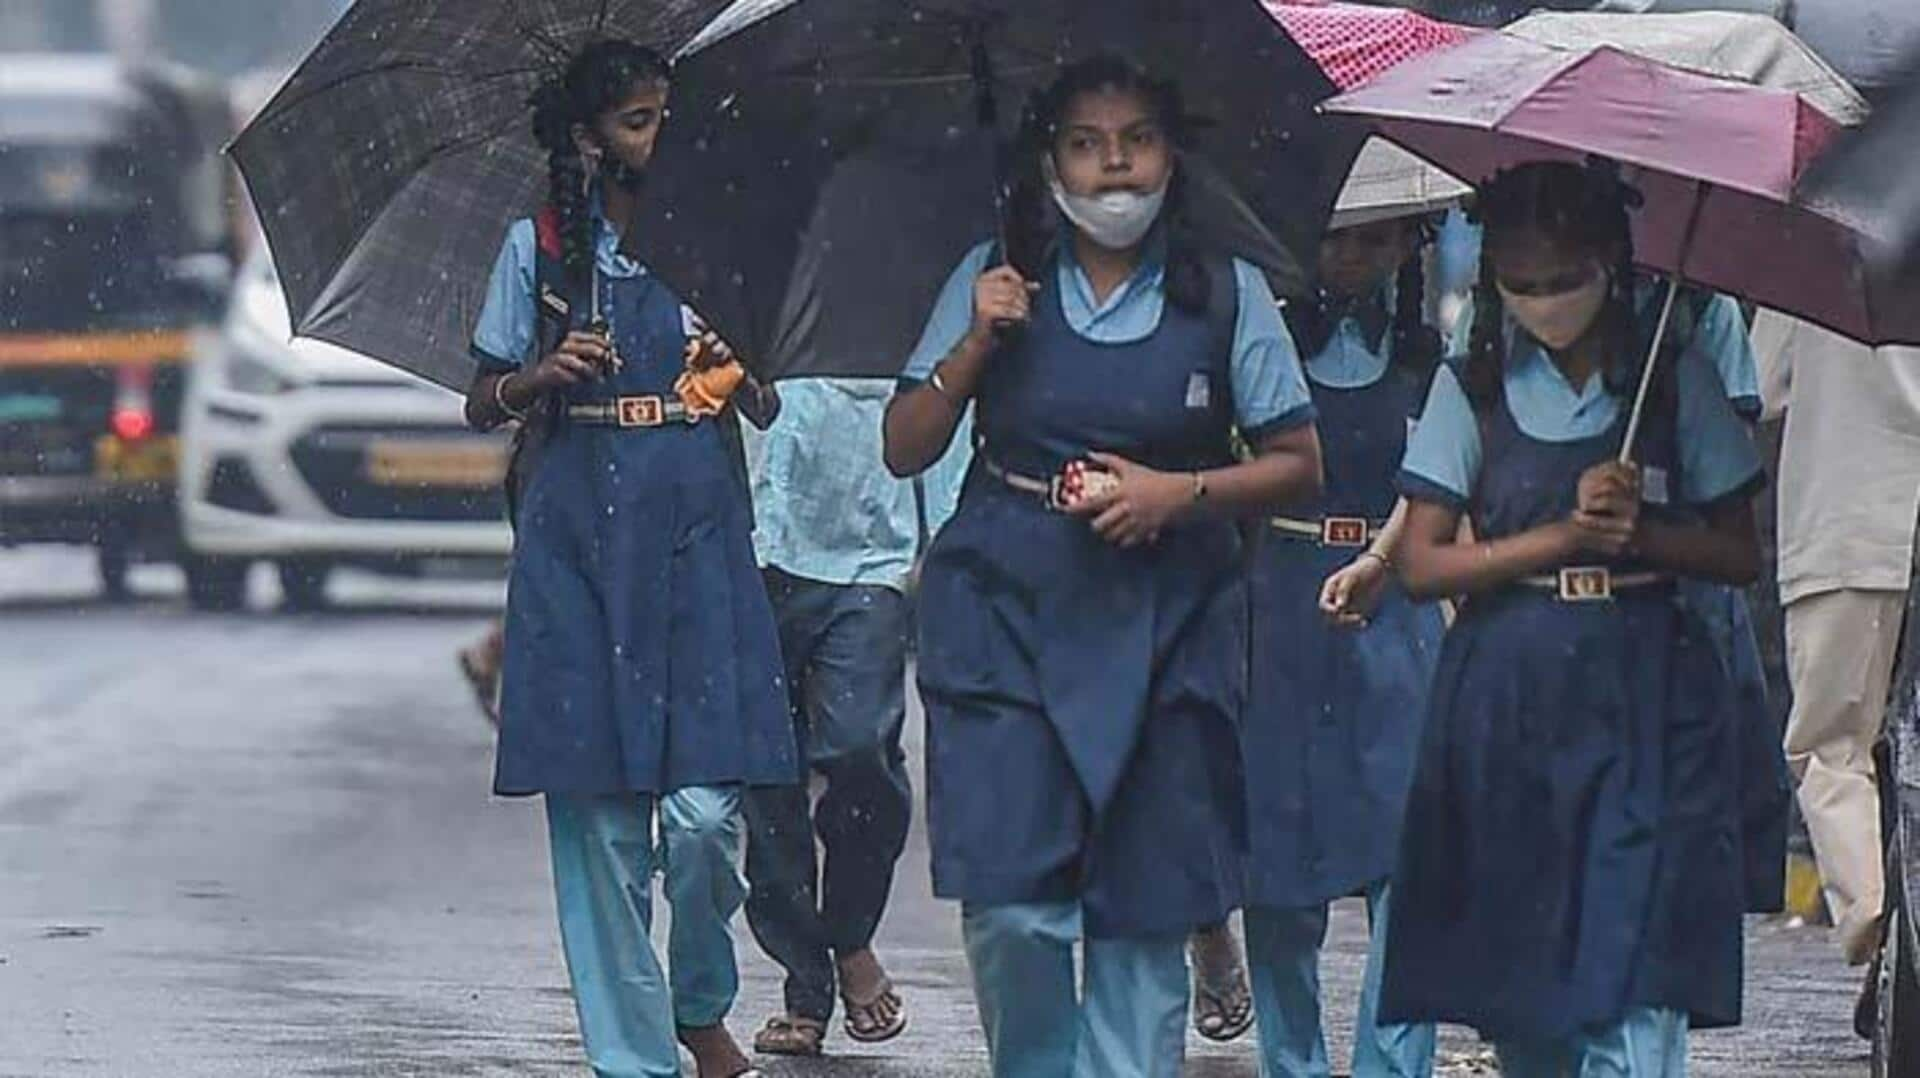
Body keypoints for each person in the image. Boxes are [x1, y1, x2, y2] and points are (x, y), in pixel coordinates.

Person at [883, 56, 1324, 1078]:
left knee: (1142, 914)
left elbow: (1301, 464)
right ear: (1050, 162)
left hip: (1171, 616)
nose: (1114, 165)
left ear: (1174, 154)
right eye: (1086, 143)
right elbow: (905, 445)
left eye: (1136, 139)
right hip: (1005, 608)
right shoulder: (992, 276)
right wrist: (975, 348)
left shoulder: (1225, 291)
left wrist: (1182, 493)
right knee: (1015, 912)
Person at [1382, 160, 1765, 1075]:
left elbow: (1738, 553)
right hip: (1511, 695)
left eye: (1564, 279)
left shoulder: (1674, 381)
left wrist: (1644, 534)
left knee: (1637, 961)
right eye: (1521, 284)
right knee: (1529, 975)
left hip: (1648, 690)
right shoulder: (1470, 387)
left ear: (1610, 261)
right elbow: (1423, 564)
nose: (1545, 301)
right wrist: (1560, 536)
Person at [460, 41, 794, 1078]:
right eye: (637, 120)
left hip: (695, 524)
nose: (657, 138)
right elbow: (481, 400)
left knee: (704, 815)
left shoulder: (723, 237)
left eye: (666, 117)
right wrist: (540, 374)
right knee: (599, 825)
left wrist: (735, 368)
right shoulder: (540, 245)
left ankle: (700, 998)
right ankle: (631, 1056)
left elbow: (773, 395)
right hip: (576, 535)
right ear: (588, 138)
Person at [1225, 209, 1448, 1078]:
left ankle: (1396, 1065)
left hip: (1399, 607)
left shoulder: (1438, 357)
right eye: (1337, 236)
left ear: (1408, 246)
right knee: (1278, 855)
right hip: (1280, 600)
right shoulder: (1260, 340)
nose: (1354, 256)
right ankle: (1294, 1061)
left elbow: (1444, 481)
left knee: (1406, 849)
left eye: (1378, 237)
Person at [740, 377, 971, 1056]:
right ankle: (804, 984)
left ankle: (850, 932)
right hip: (752, 548)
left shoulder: (900, 286)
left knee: (859, 748)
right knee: (767, 776)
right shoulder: (745, 286)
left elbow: (947, 399)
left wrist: (952, 537)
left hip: (869, 553)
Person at [1750, 308, 1920, 1034]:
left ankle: (1881, 928)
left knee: (1832, 744)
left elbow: (1761, 388)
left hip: (1848, 520)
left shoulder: (1813, 242)